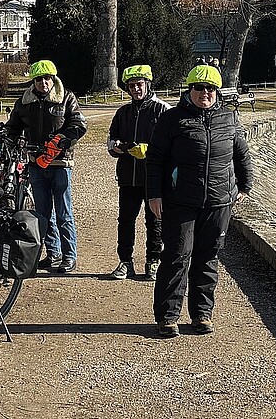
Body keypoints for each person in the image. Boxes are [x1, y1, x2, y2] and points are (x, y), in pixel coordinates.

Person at [146, 64, 254, 338]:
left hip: (218, 201)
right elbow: (155, 159)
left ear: (217, 92)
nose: (205, 93)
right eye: (199, 88)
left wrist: (245, 186)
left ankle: (201, 314)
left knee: (208, 257)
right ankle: (167, 316)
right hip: (180, 200)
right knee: (176, 256)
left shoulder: (229, 118)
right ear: (189, 90)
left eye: (210, 89)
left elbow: (241, 154)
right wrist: (154, 194)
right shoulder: (172, 119)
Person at [5, 59, 87, 273]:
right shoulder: (24, 101)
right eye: (39, 79)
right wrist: (12, 139)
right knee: (42, 214)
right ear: (33, 81)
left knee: (63, 212)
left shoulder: (66, 97)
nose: (44, 83)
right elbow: (13, 127)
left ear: (54, 79)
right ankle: (53, 253)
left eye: (48, 78)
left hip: (60, 163)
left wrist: (64, 139)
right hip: (36, 164)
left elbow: (78, 124)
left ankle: (69, 256)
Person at [106, 64, 169, 281]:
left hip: (154, 178)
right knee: (125, 221)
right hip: (127, 177)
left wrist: (149, 150)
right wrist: (115, 146)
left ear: (148, 84)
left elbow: (173, 145)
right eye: (131, 86)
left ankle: (153, 261)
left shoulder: (163, 110)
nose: (135, 89)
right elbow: (110, 139)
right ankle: (125, 262)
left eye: (139, 84)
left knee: (155, 221)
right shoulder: (122, 112)